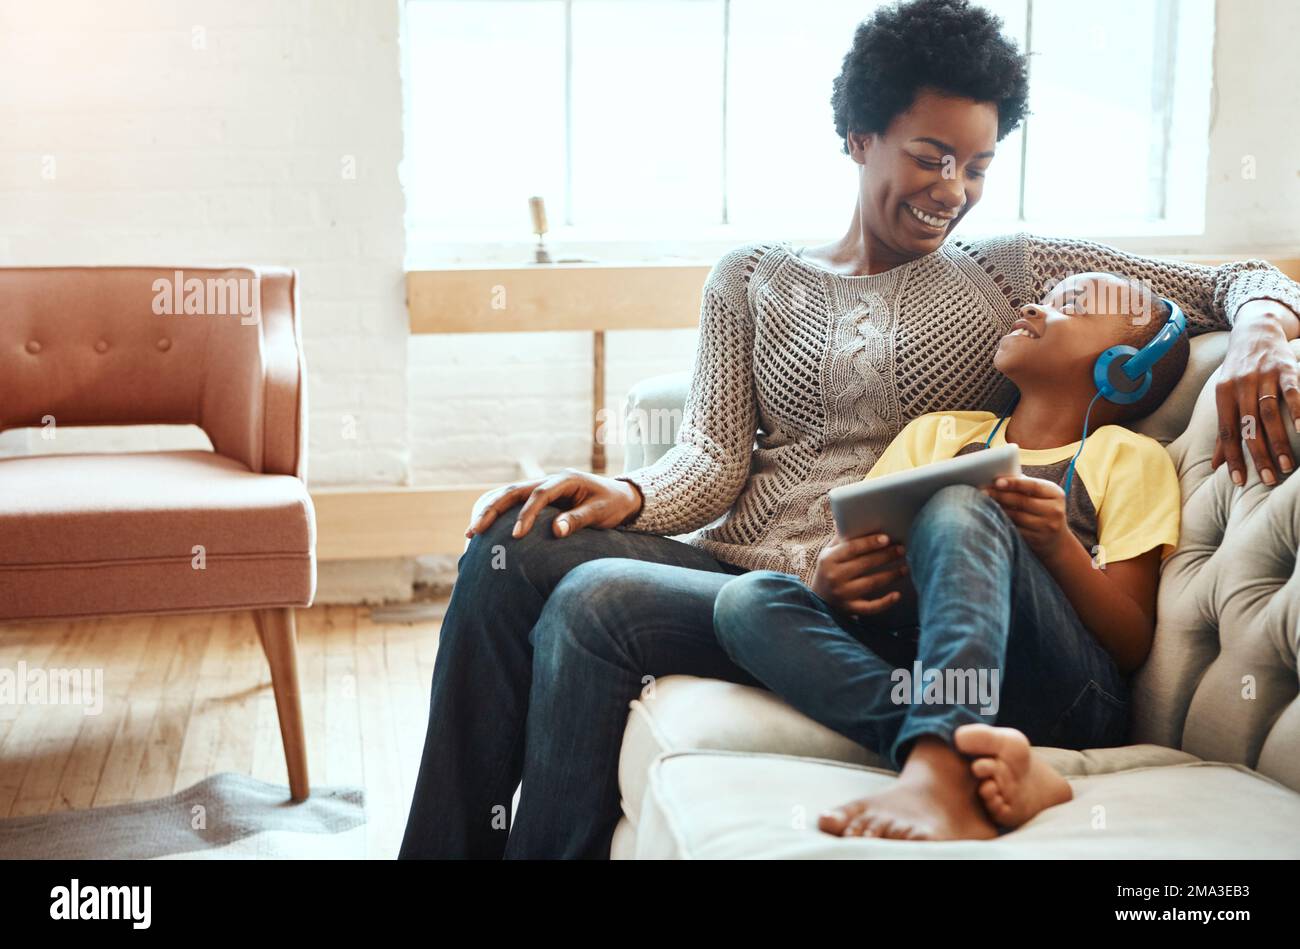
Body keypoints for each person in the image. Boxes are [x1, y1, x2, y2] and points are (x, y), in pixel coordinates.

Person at [399, 0, 1300, 859]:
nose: (954, 190)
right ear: (859, 137)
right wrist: (629, 493)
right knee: (509, 550)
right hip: (759, 577)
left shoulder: (1011, 270)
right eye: (931, 155)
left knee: (596, 606)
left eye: (978, 166)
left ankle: (942, 759)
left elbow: (1240, 277)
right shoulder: (749, 275)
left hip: (897, 596)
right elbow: (713, 458)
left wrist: (1262, 327)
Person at [712, 271, 1187, 841]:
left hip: (1064, 694)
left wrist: (1058, 547)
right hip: (924, 672)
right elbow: (857, 542)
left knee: (959, 505)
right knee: (747, 600)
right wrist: (832, 583)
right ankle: (956, 752)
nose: (1034, 307)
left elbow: (1131, 644)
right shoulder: (936, 435)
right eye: (1046, 296)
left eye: (1074, 307)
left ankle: (940, 766)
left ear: (1124, 368)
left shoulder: (1128, 458)